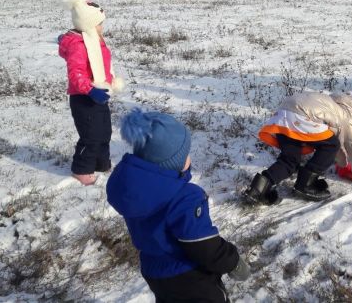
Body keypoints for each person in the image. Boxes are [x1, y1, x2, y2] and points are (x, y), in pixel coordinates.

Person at [106, 109, 250, 302]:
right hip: (188, 275)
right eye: (185, 154)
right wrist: (232, 262)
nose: (189, 158)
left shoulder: (136, 190)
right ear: (172, 163)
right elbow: (204, 246)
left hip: (154, 270)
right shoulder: (183, 197)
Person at [245, 89, 352, 204]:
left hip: (284, 112)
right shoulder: (348, 118)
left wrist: (343, 164)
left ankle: (258, 189)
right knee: (331, 146)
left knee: (289, 159)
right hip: (300, 115)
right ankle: (305, 184)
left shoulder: (332, 102)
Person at [58, 0, 123, 186]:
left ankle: (102, 163)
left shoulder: (95, 40)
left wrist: (109, 81)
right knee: (91, 135)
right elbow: (75, 73)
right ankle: (81, 168)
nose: (102, 27)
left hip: (99, 93)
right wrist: (90, 89)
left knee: (104, 131)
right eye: (99, 24)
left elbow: (103, 64)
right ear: (88, 24)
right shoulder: (78, 44)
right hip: (84, 97)